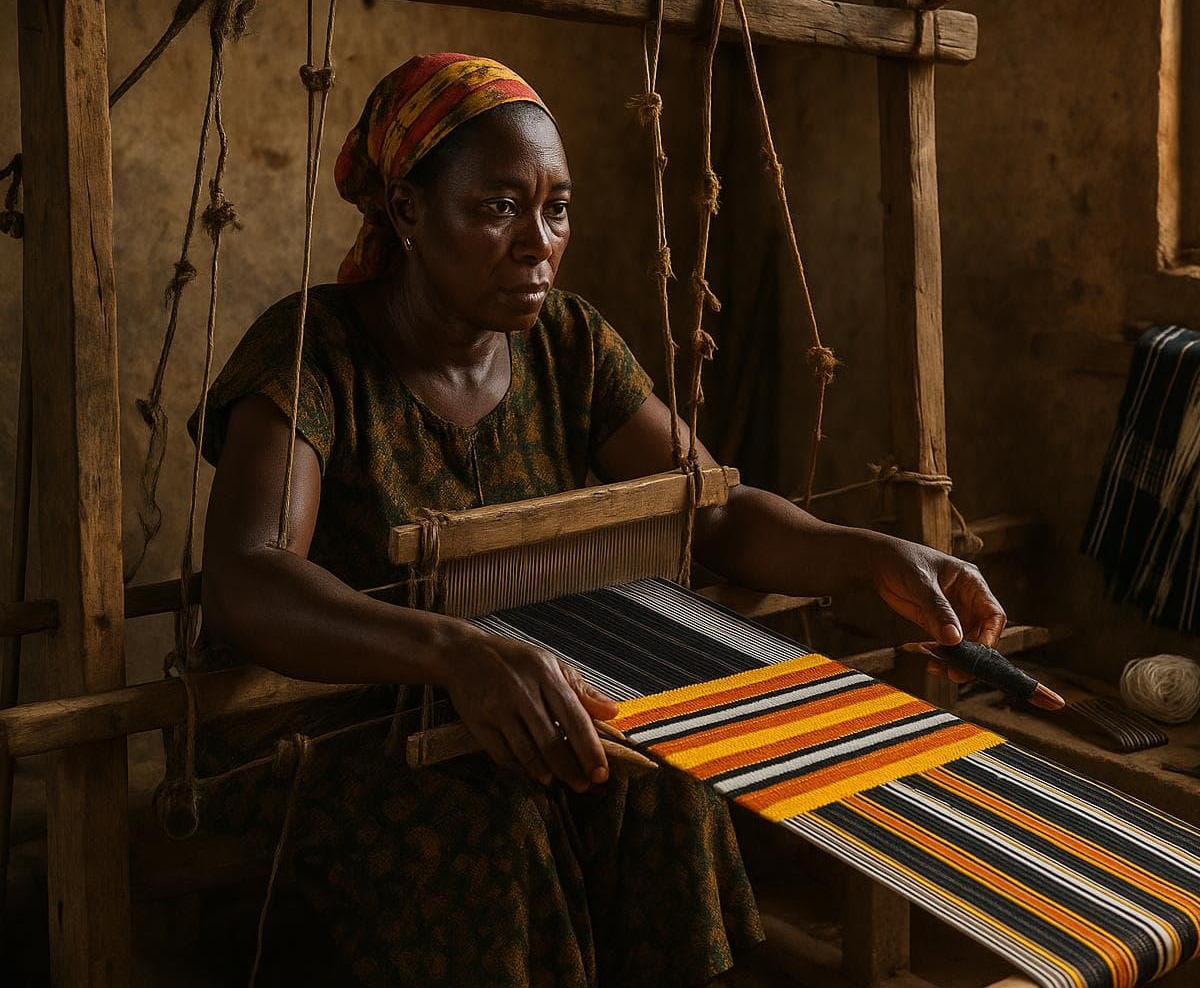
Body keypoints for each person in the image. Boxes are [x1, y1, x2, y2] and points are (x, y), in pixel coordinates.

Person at [191, 53, 1005, 987]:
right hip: (334, 722)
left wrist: (868, 556)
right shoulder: (314, 354)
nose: (538, 242)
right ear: (407, 211)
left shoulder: (567, 343)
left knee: (669, 791)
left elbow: (715, 508)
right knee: (488, 829)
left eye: (557, 208)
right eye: (498, 208)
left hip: (531, 688)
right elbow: (248, 577)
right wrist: (454, 653)